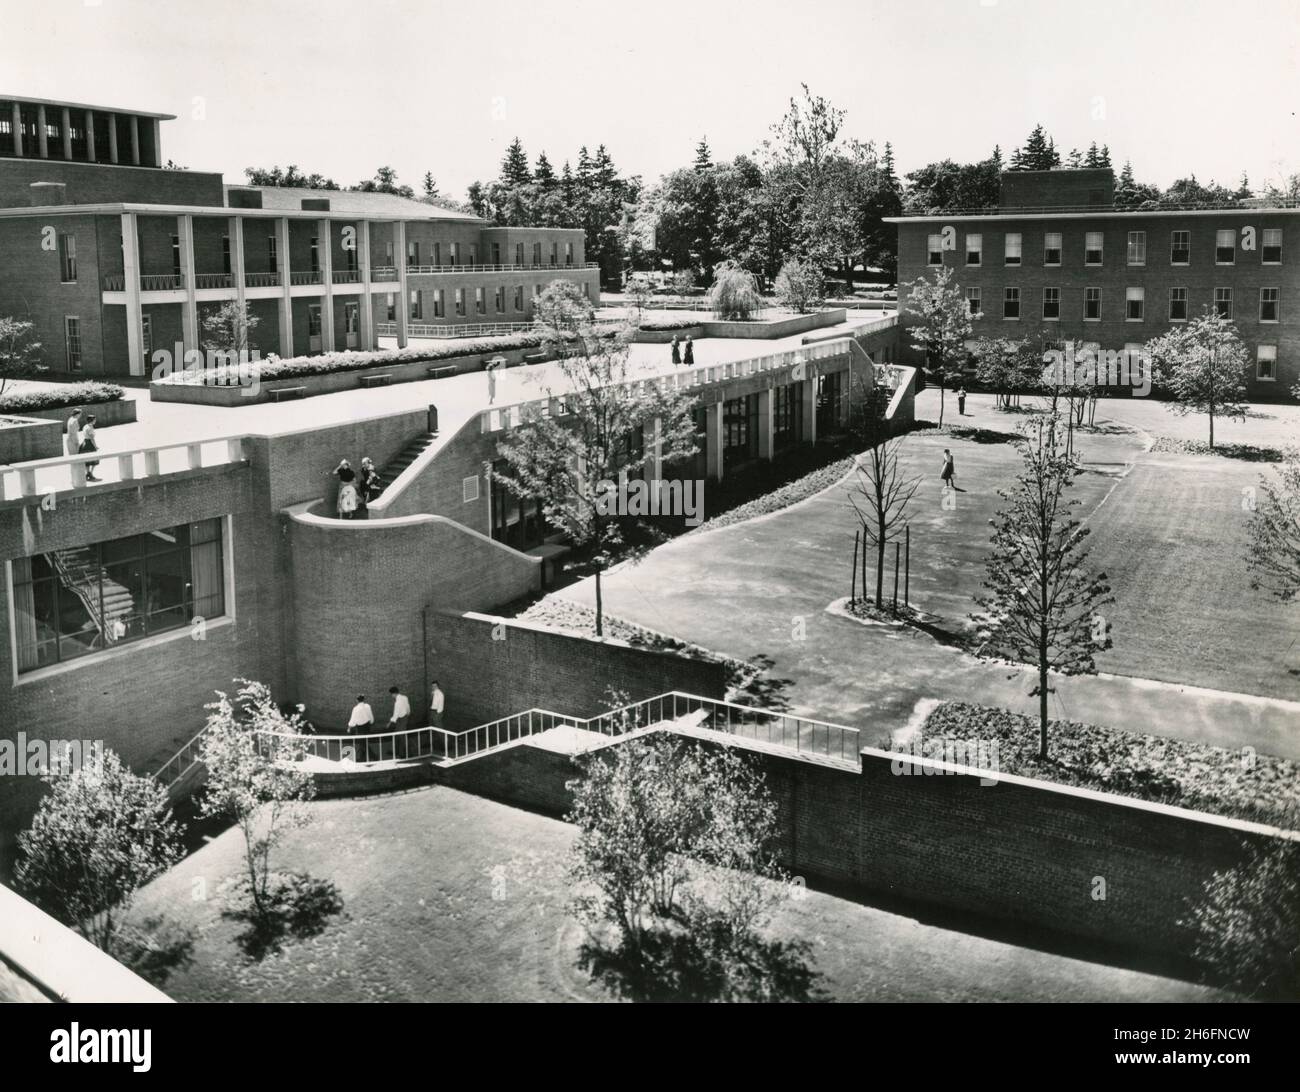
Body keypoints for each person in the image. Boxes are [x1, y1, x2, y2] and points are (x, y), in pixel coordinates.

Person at [347, 694, 374, 762]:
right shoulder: (368, 706)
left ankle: (373, 757)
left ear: (357, 700)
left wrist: (349, 727)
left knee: (362, 743)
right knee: (364, 742)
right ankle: (364, 757)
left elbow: (353, 720)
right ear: (363, 699)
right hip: (367, 726)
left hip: (360, 728)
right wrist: (371, 722)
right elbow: (371, 716)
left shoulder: (355, 709)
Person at [78, 414, 101, 482]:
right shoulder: (90, 427)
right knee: (94, 459)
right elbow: (92, 438)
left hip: (84, 443)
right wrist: (95, 446)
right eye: (94, 420)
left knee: (87, 460)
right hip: (89, 444)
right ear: (92, 420)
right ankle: (90, 473)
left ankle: (88, 473)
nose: (95, 421)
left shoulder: (85, 426)